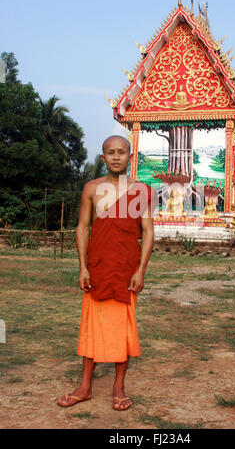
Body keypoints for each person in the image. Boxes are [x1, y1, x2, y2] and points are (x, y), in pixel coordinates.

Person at [57, 135, 157, 411]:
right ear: (103, 158)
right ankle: (85, 386)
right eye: (110, 152)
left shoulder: (142, 191)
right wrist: (83, 267)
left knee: (123, 329)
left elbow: (148, 232)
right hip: (98, 268)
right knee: (91, 327)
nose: (116, 157)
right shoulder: (91, 188)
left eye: (121, 152)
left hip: (125, 270)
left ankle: (118, 386)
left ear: (130, 157)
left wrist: (141, 271)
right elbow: (83, 227)